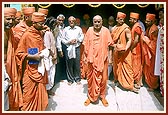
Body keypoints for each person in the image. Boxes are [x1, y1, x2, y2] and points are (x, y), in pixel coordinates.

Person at [15, 12, 48, 111]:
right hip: (29, 70)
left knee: (40, 96)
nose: (43, 25)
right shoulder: (27, 35)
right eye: (40, 23)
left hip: (40, 69)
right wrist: (32, 57)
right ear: (34, 22)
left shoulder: (40, 33)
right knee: (28, 96)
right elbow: (19, 53)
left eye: (43, 23)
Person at [83, 15, 114, 107]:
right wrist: (85, 57)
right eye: (95, 22)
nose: (97, 24)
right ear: (93, 22)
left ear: (102, 22)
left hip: (103, 59)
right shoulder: (89, 30)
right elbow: (85, 44)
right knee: (90, 79)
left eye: (98, 22)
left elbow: (110, 46)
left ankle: (102, 96)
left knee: (104, 79)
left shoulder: (106, 31)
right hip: (91, 60)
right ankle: (90, 96)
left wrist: (110, 57)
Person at [111, 12, 139, 93]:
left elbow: (129, 40)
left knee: (128, 68)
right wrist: (115, 46)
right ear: (116, 19)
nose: (122, 21)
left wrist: (126, 49)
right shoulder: (113, 28)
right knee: (116, 67)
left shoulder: (126, 28)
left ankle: (130, 86)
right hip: (116, 51)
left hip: (125, 52)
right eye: (120, 19)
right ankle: (118, 81)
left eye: (123, 19)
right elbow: (111, 41)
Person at [4, 7, 23, 111]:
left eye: (12, 19)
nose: (11, 22)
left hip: (10, 66)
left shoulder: (11, 32)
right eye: (7, 19)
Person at [61, 16, 84, 85]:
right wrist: (68, 42)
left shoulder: (78, 29)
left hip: (76, 47)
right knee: (69, 64)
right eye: (70, 21)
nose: (71, 22)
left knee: (77, 63)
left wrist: (77, 40)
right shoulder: (65, 29)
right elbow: (62, 39)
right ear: (68, 22)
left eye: (73, 21)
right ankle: (70, 79)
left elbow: (82, 36)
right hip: (69, 48)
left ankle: (77, 79)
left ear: (75, 21)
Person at [142, 13, 159, 91]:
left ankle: (153, 85)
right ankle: (150, 84)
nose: (146, 22)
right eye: (146, 21)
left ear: (153, 21)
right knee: (148, 69)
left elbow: (155, 44)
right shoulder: (149, 28)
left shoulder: (154, 29)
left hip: (153, 53)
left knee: (152, 70)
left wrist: (146, 39)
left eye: (148, 21)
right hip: (148, 52)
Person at [129, 12, 144, 89]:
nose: (129, 20)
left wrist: (131, 48)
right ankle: (138, 82)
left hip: (136, 49)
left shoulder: (137, 27)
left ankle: (138, 83)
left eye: (131, 19)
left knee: (136, 65)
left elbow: (136, 40)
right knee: (136, 65)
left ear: (135, 20)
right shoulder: (135, 26)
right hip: (135, 48)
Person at [43, 17, 57, 96]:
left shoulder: (51, 32)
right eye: (54, 24)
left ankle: (49, 89)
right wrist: (53, 55)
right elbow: (48, 47)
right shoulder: (47, 33)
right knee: (49, 74)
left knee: (52, 73)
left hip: (53, 56)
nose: (55, 26)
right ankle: (47, 91)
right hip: (50, 57)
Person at [54, 14, 67, 83]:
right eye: (59, 20)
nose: (61, 22)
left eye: (62, 20)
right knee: (58, 63)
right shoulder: (55, 27)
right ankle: (58, 78)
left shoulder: (64, 27)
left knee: (63, 62)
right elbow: (58, 40)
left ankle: (63, 76)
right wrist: (59, 50)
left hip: (64, 45)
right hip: (57, 47)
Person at [154, 8, 164, 96]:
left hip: (163, 53)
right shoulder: (160, 26)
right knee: (161, 72)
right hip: (160, 53)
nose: (160, 17)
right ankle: (162, 90)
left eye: (161, 15)